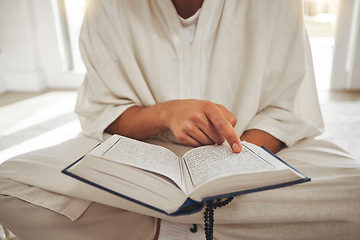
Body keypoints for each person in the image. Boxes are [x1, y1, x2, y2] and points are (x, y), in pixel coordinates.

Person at [1, 0, 360, 239]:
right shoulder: (106, 7)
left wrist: (238, 161)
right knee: (9, 184)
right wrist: (164, 114)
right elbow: (103, 111)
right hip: (140, 151)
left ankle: (160, 225)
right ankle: (201, 223)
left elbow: (287, 107)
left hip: (250, 152)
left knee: (353, 193)